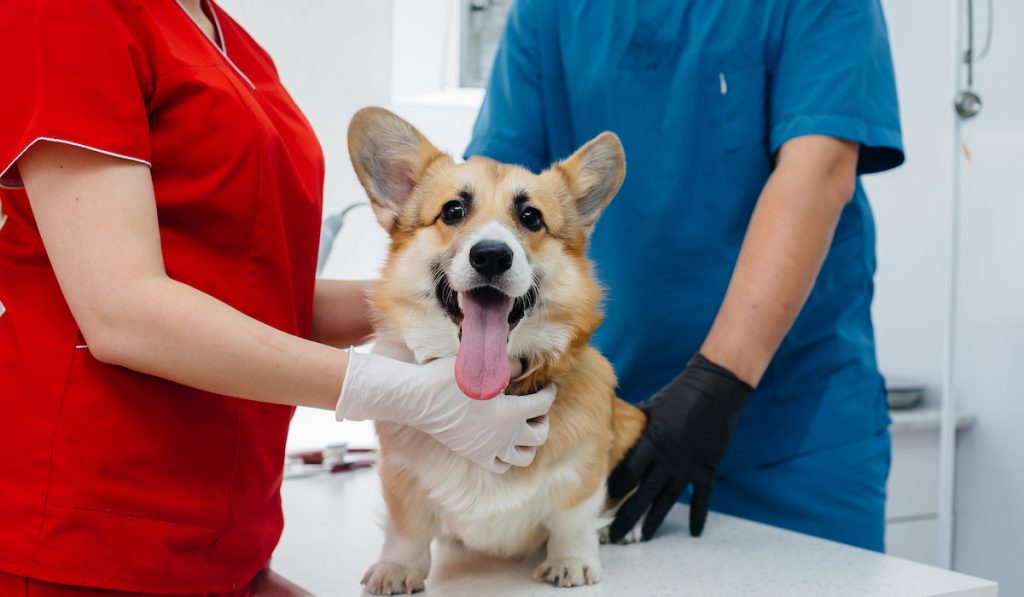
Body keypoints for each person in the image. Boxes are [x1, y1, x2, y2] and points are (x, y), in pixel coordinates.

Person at [0, 0, 554, 594]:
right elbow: (122, 311)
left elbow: (258, 296)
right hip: (93, 528)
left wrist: (448, 295)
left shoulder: (229, 41)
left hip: (230, 532)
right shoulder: (65, 13)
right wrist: (398, 393)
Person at [467, 0, 904, 551]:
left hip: (795, 439)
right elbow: (492, 190)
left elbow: (819, 175)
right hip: (600, 436)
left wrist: (716, 383)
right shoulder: (549, 12)